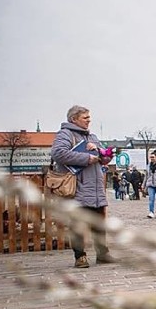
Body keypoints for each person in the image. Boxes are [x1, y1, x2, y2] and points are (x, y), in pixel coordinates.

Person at [50, 105, 115, 268]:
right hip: (78, 188)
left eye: (89, 117)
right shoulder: (65, 134)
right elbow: (58, 154)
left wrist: (102, 153)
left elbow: (104, 158)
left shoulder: (92, 136)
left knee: (99, 223)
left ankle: (103, 254)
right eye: (85, 118)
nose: (89, 120)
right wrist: (86, 158)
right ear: (74, 119)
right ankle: (80, 257)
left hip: (96, 188)